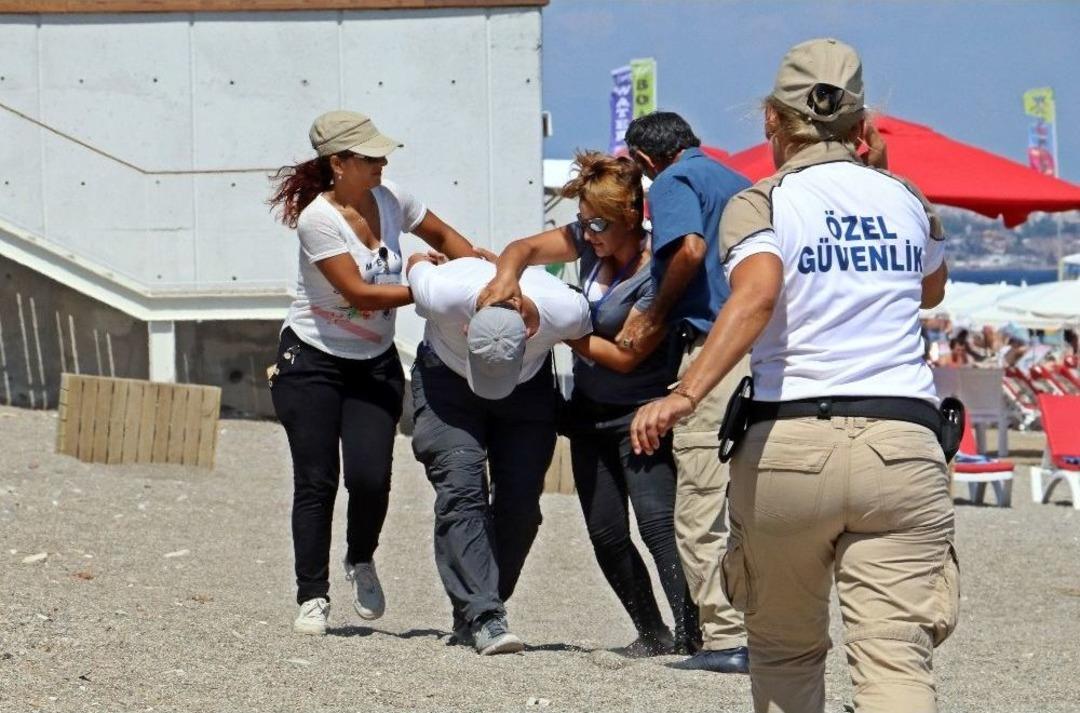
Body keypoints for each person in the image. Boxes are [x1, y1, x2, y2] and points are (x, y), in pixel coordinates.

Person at [630, 38, 957, 713]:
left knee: (785, 653)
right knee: (896, 662)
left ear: (771, 122)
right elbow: (931, 290)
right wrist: (883, 179)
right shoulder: (907, 200)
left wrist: (687, 392)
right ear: (863, 126)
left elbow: (756, 294)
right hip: (903, 444)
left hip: (791, 444)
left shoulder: (764, 201)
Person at [267, 110, 490, 636]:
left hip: (374, 364)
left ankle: (359, 557)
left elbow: (448, 237)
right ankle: (312, 595)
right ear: (338, 163)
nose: (382, 163)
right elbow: (359, 294)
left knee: (371, 479)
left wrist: (480, 275)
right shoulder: (317, 220)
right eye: (370, 157)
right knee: (317, 481)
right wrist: (430, 286)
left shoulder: (393, 199)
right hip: (312, 361)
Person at [477, 151, 698, 656]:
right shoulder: (588, 242)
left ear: (630, 219)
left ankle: (692, 636)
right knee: (605, 533)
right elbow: (521, 247)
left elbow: (626, 356)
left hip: (641, 414)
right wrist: (508, 275)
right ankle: (652, 632)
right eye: (582, 222)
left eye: (598, 223)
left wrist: (555, 324)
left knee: (657, 524)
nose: (588, 232)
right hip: (587, 414)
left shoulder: (660, 271)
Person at [615, 111, 752, 673]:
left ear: (647, 161)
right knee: (749, 500)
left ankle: (725, 640)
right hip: (759, 350)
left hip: (714, 350)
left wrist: (653, 311)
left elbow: (690, 251)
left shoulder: (674, 182)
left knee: (700, 503)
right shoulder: (738, 182)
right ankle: (763, 629)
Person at [406, 255, 593, 655]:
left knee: (521, 504)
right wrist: (421, 259)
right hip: (447, 382)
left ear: (530, 329)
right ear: (467, 325)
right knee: (461, 484)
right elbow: (415, 265)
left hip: (526, 390)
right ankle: (486, 615)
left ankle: (479, 608)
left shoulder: (565, 309)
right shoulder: (441, 291)